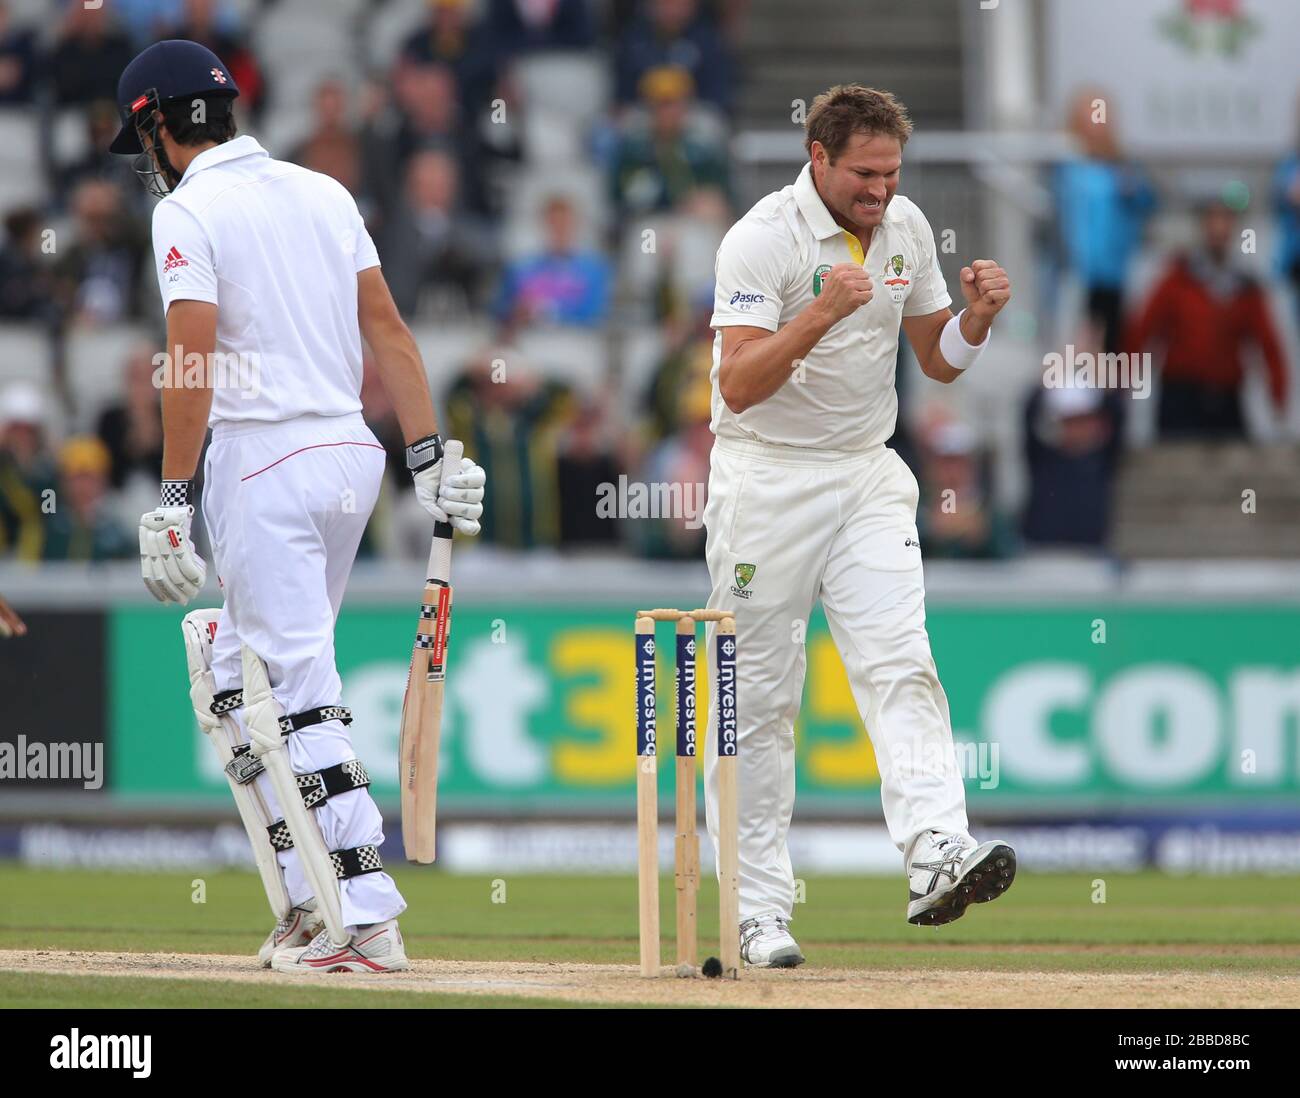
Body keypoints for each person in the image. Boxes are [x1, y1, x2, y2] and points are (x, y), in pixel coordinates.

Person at [109, 39, 486, 973]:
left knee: (299, 686)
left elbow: (189, 359)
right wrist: (428, 452)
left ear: (158, 125)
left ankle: (367, 918)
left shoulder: (189, 210)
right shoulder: (323, 190)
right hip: (349, 458)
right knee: (235, 675)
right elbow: (389, 332)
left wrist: (171, 496)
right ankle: (312, 898)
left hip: (258, 461)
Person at [702, 85, 1016, 968]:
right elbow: (736, 385)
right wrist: (820, 312)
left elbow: (934, 360)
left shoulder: (907, 227)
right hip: (767, 480)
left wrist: (977, 324)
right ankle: (758, 912)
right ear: (819, 158)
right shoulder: (762, 237)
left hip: (868, 473)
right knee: (760, 703)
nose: (881, 190)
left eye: (892, 172)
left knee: (899, 660)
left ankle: (935, 853)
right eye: (866, 174)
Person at [1126, 199, 1288, 438]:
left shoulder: (1245, 287)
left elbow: (1268, 344)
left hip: (1226, 396)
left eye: (1226, 221)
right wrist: (1122, 386)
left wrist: (1278, 396)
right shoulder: (1176, 279)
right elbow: (1142, 330)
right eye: (1212, 220)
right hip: (1180, 395)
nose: (1219, 229)